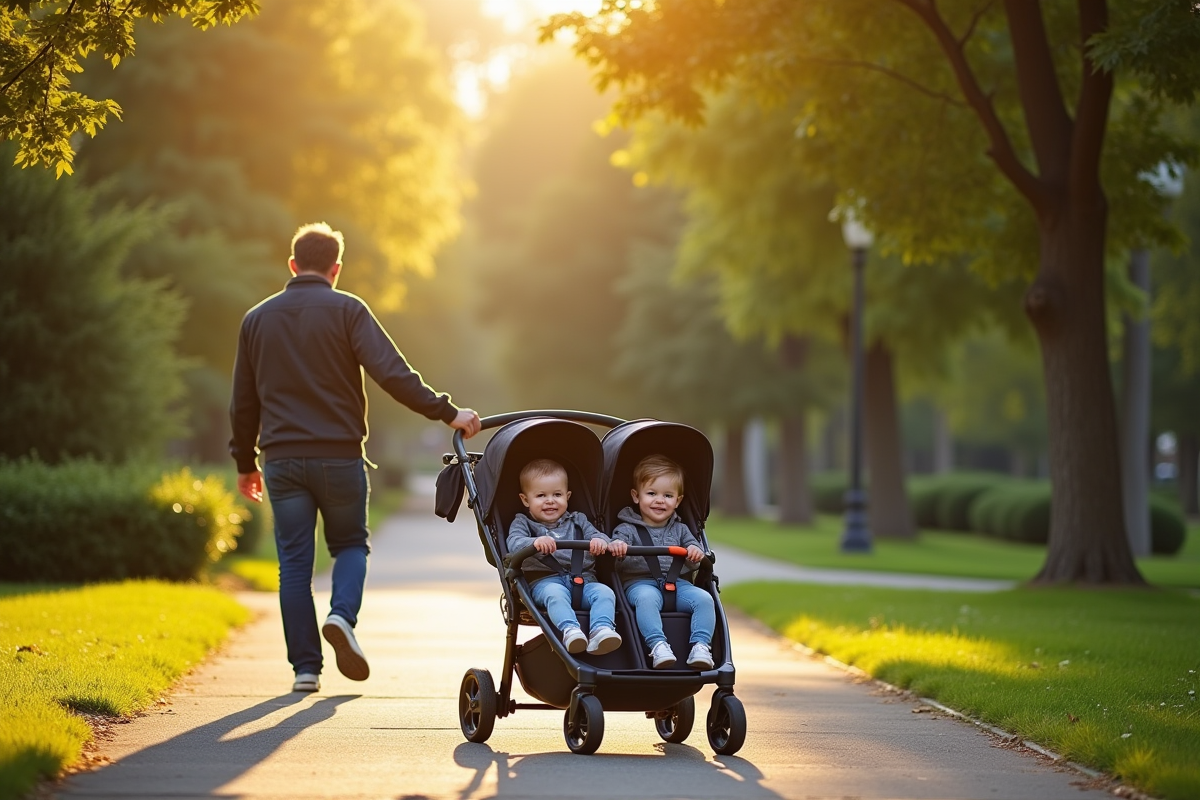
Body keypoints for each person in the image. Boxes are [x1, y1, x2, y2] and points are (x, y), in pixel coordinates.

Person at [229, 222, 481, 693]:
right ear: (336, 269)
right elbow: (392, 373)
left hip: (282, 461)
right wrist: (447, 412)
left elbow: (243, 401)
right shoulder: (348, 310)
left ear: (292, 265)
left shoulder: (256, 319)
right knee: (349, 546)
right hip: (339, 458)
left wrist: (245, 462)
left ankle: (306, 669)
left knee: (294, 565)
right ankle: (341, 616)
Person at [506, 459, 622, 656]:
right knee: (556, 595)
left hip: (585, 581)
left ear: (567, 496)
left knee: (605, 593)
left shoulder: (578, 520)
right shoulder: (523, 523)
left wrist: (599, 541)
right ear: (526, 500)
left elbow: (600, 536)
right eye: (541, 495)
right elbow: (514, 542)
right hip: (546, 581)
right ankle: (570, 630)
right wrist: (534, 543)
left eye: (557, 494)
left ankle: (601, 630)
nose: (550, 500)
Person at [609, 454, 715, 670]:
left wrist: (695, 552)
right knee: (647, 599)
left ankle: (701, 646)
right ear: (636, 496)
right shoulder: (626, 529)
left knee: (704, 599)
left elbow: (695, 551)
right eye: (651, 493)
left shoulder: (681, 529)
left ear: (678, 500)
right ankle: (658, 645)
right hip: (639, 584)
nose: (659, 500)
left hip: (679, 585)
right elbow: (616, 556)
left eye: (668, 495)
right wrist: (618, 548)